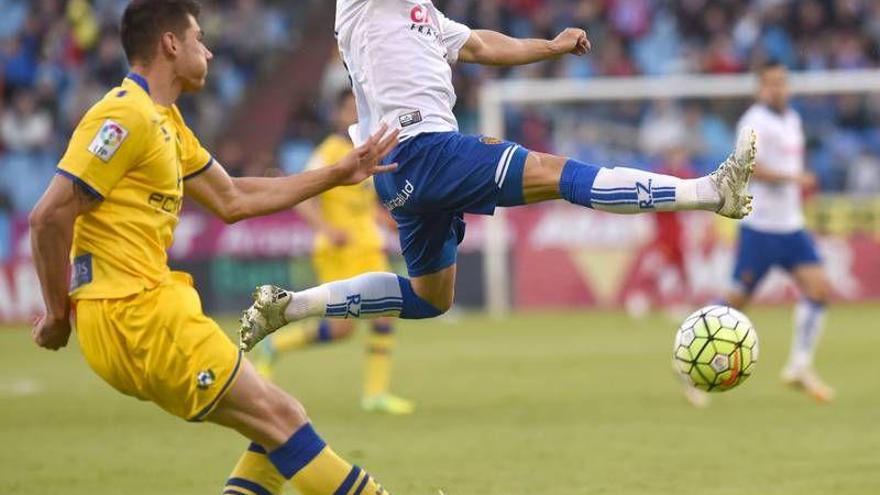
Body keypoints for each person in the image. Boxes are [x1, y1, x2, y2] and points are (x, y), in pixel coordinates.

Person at [29, 1, 399, 493]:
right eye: (199, 38)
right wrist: (57, 313)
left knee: (275, 425)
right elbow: (49, 215)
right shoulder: (124, 114)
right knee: (282, 421)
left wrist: (335, 174)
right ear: (170, 43)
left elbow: (232, 198)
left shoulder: (167, 123)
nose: (207, 50)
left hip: (140, 313)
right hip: (136, 314)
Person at [239, 0, 756, 352]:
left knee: (429, 298)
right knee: (554, 171)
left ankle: (293, 307)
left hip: (399, 171)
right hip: (425, 150)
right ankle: (708, 191)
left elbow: (483, 46)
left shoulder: (421, 14)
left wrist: (549, 47)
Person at [255, 90, 414, 415]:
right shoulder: (327, 152)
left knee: (387, 312)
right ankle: (274, 346)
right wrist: (326, 229)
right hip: (337, 251)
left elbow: (364, 205)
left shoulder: (369, 153)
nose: (355, 116)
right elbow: (300, 195)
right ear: (337, 115)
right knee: (342, 329)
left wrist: (388, 221)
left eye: (360, 110)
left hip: (368, 247)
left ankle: (375, 394)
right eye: (348, 110)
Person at [717, 61, 833, 404]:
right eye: (771, 84)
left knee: (819, 289)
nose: (778, 89)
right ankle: (689, 356)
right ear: (759, 88)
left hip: (791, 226)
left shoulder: (793, 119)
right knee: (736, 305)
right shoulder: (753, 122)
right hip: (762, 228)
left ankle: (799, 366)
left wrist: (796, 182)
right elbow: (747, 167)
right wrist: (793, 179)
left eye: (782, 82)